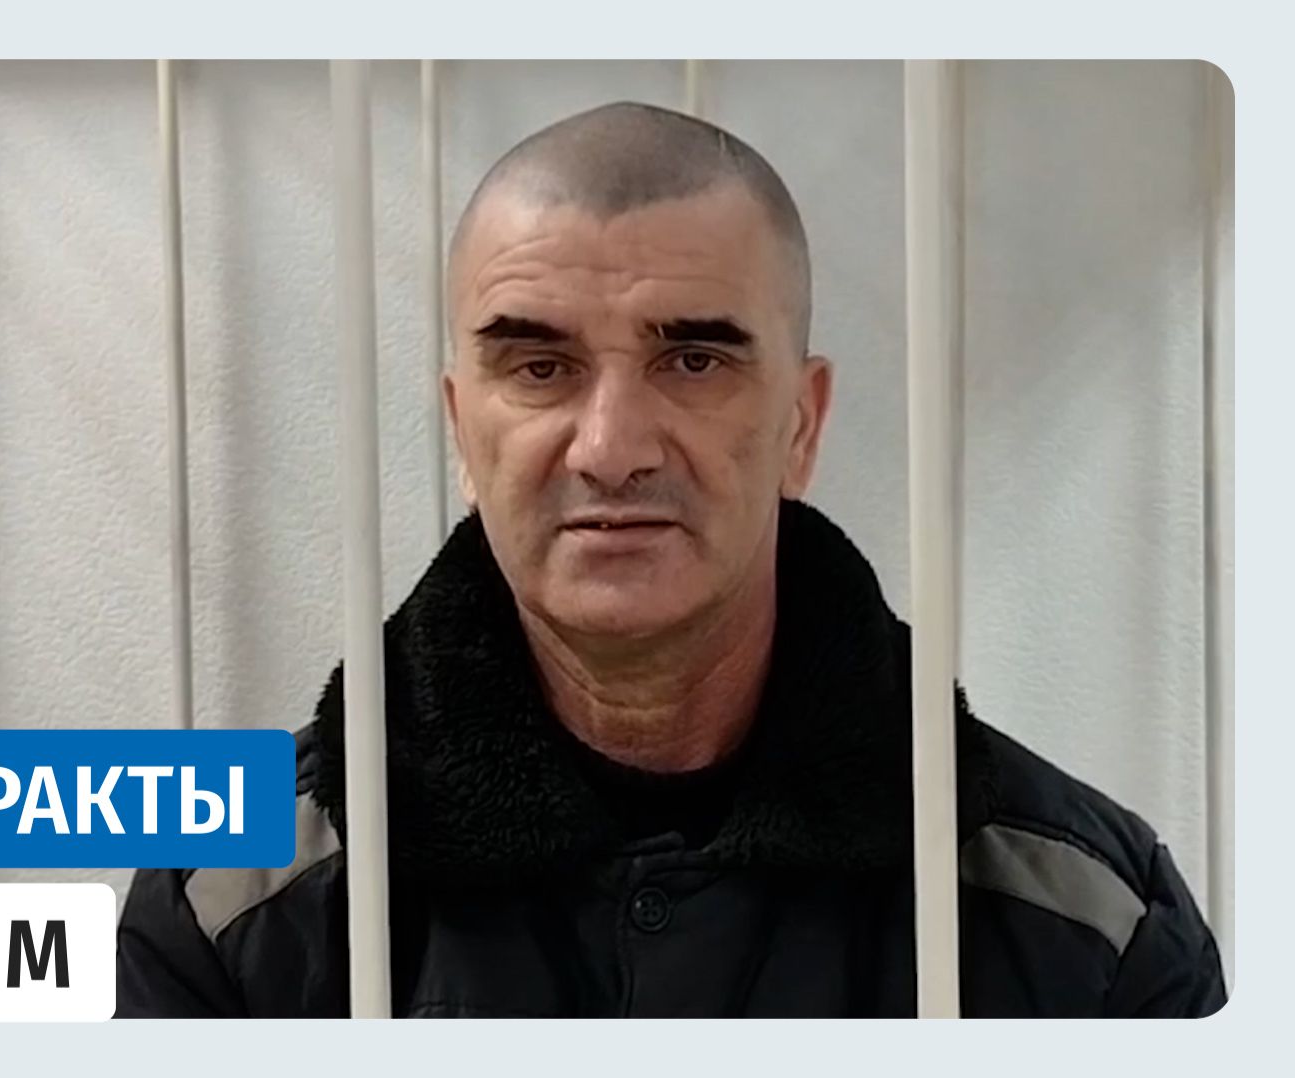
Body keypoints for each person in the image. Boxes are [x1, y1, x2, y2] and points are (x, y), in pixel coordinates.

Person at [114, 101, 1226, 1017]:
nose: (611, 450)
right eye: (539, 367)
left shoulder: (1088, 926)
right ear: (461, 429)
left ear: (802, 424)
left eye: (693, 360)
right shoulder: (228, 908)